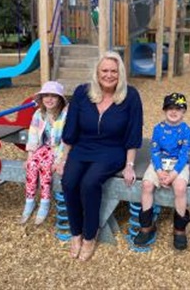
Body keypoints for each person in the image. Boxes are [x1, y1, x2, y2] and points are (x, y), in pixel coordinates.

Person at [60, 51, 143, 261]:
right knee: (69, 181)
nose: (109, 75)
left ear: (120, 74)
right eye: (104, 70)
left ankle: (89, 235)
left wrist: (130, 164)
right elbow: (71, 128)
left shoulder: (130, 96)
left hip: (112, 149)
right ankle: (76, 234)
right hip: (83, 146)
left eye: (113, 71)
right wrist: (63, 159)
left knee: (89, 182)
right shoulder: (82, 92)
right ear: (97, 73)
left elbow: (134, 133)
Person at [134, 92, 190, 251]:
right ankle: (146, 226)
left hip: (178, 165)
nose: (173, 112)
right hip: (159, 163)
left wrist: (173, 175)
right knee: (147, 185)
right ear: (164, 110)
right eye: (169, 108)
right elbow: (154, 151)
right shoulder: (158, 129)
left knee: (180, 188)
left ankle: (179, 229)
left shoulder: (186, 130)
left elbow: (184, 155)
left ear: (184, 112)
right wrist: (159, 172)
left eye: (178, 108)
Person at [21, 81, 68, 225]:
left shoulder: (65, 115)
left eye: (54, 96)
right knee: (32, 166)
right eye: (46, 96)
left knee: (46, 166)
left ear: (60, 99)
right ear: (41, 99)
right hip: (44, 148)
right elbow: (34, 134)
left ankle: (45, 201)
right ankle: (29, 201)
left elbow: (67, 140)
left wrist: (59, 160)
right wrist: (30, 156)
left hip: (58, 149)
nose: (49, 99)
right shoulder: (39, 114)